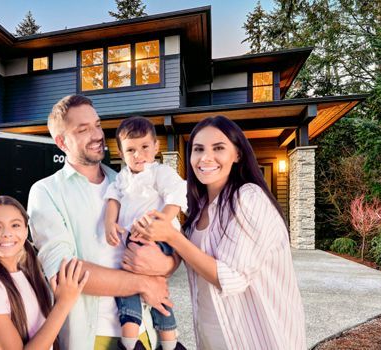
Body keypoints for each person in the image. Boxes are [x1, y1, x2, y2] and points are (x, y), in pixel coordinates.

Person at [132, 116, 307, 349]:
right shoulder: (198, 209)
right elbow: (192, 256)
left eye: (218, 148)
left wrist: (171, 236)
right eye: (198, 149)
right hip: (212, 336)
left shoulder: (248, 198)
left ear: (237, 154)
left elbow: (231, 277)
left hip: (256, 338)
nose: (205, 157)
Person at [27, 95, 177, 350]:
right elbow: (65, 275)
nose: (97, 135)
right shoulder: (46, 192)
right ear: (62, 142)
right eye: (83, 129)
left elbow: (171, 236)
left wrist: (168, 263)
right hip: (92, 337)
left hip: (146, 332)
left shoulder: (125, 181)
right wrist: (144, 283)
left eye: (97, 125)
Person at [103, 117, 187, 350]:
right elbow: (112, 199)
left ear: (156, 147)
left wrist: (160, 222)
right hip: (134, 240)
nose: (138, 155)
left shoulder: (160, 172)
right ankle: (129, 344)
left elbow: (175, 198)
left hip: (158, 237)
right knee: (131, 283)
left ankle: (170, 345)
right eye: (131, 150)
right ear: (120, 152)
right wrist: (110, 223)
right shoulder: (121, 178)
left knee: (156, 282)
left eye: (144, 147)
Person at [0, 195, 89, 350]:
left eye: (15, 225)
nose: (7, 233)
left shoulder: (27, 273)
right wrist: (63, 303)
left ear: (26, 230)